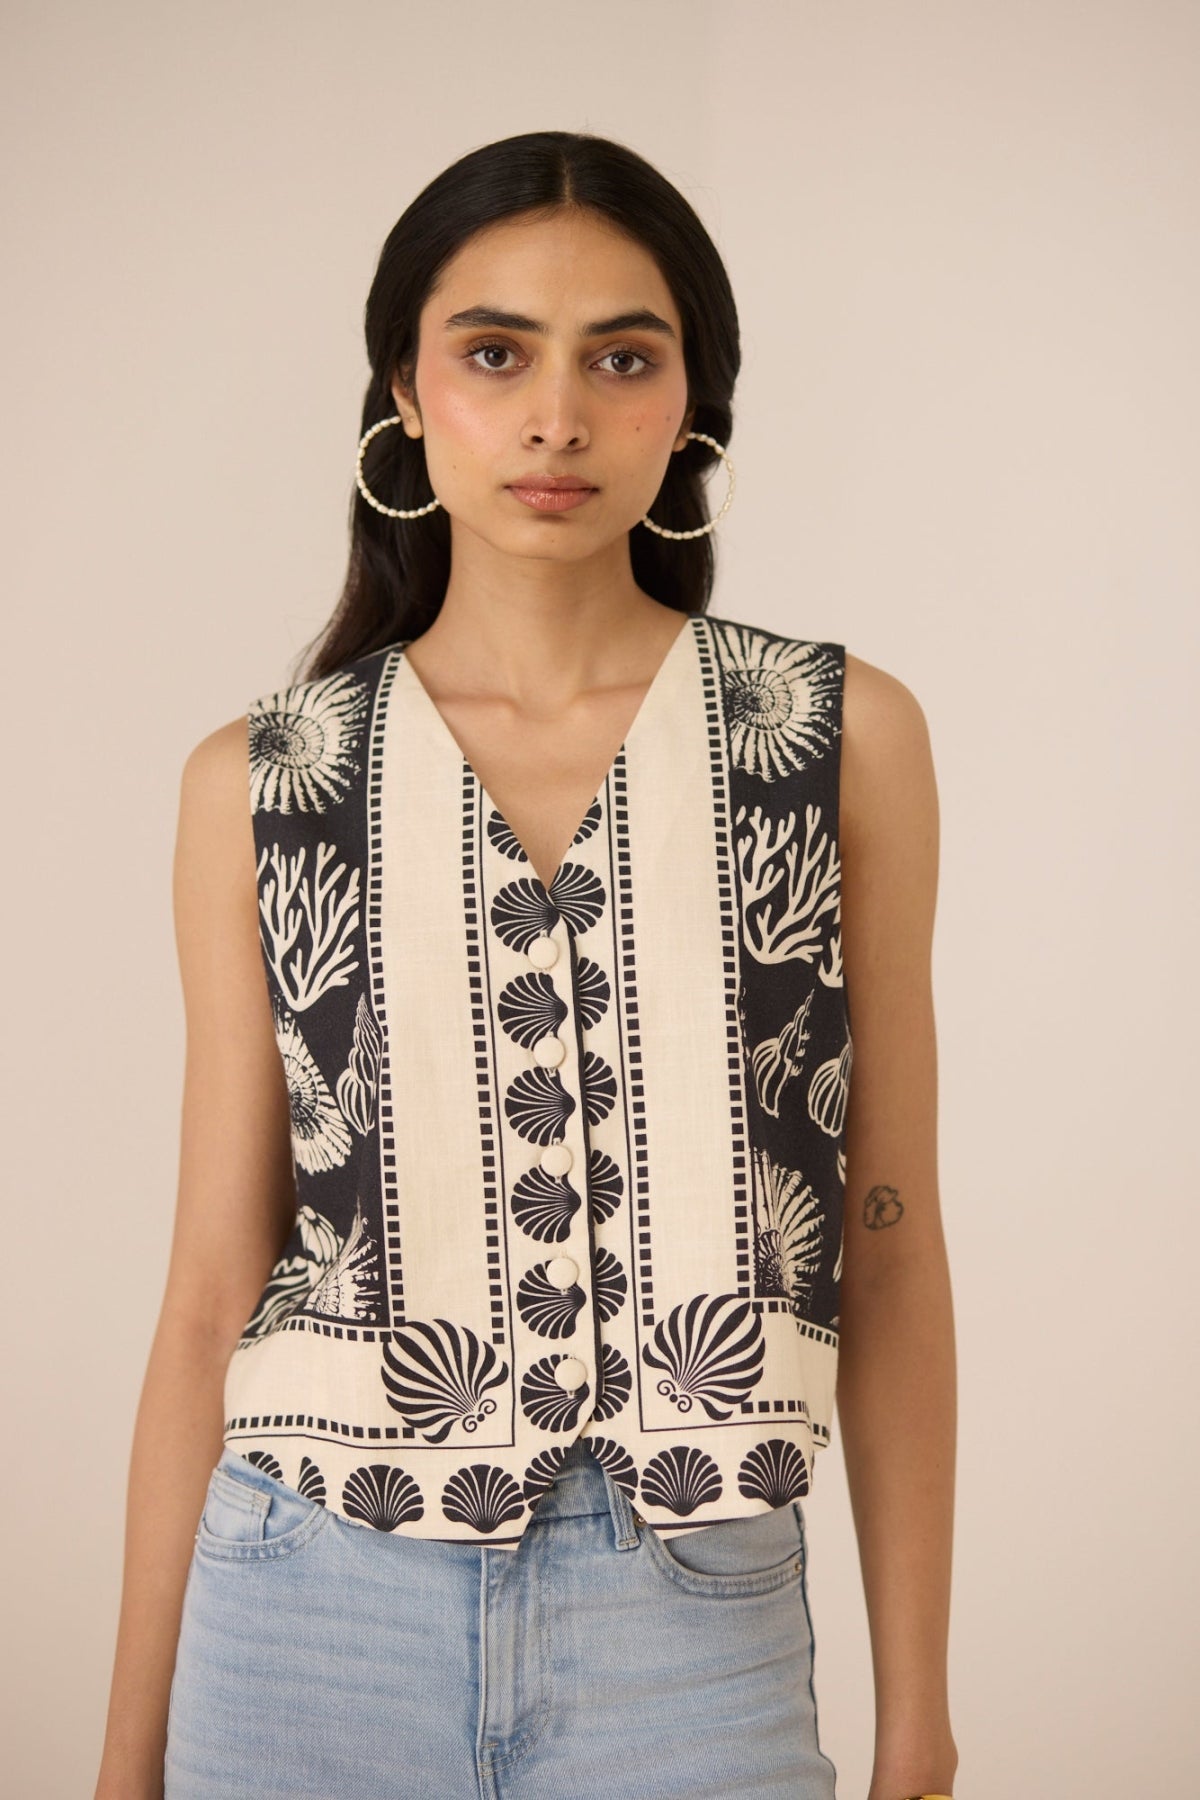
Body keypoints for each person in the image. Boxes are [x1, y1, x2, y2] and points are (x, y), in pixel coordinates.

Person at [94, 130, 957, 1800]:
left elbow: (891, 1241)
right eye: (495, 353)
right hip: (305, 1608)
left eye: (620, 357)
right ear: (406, 396)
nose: (557, 416)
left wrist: (915, 1712)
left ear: (690, 400)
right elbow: (212, 1286)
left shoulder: (832, 741)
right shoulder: (266, 782)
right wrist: (128, 1760)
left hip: (690, 1621)